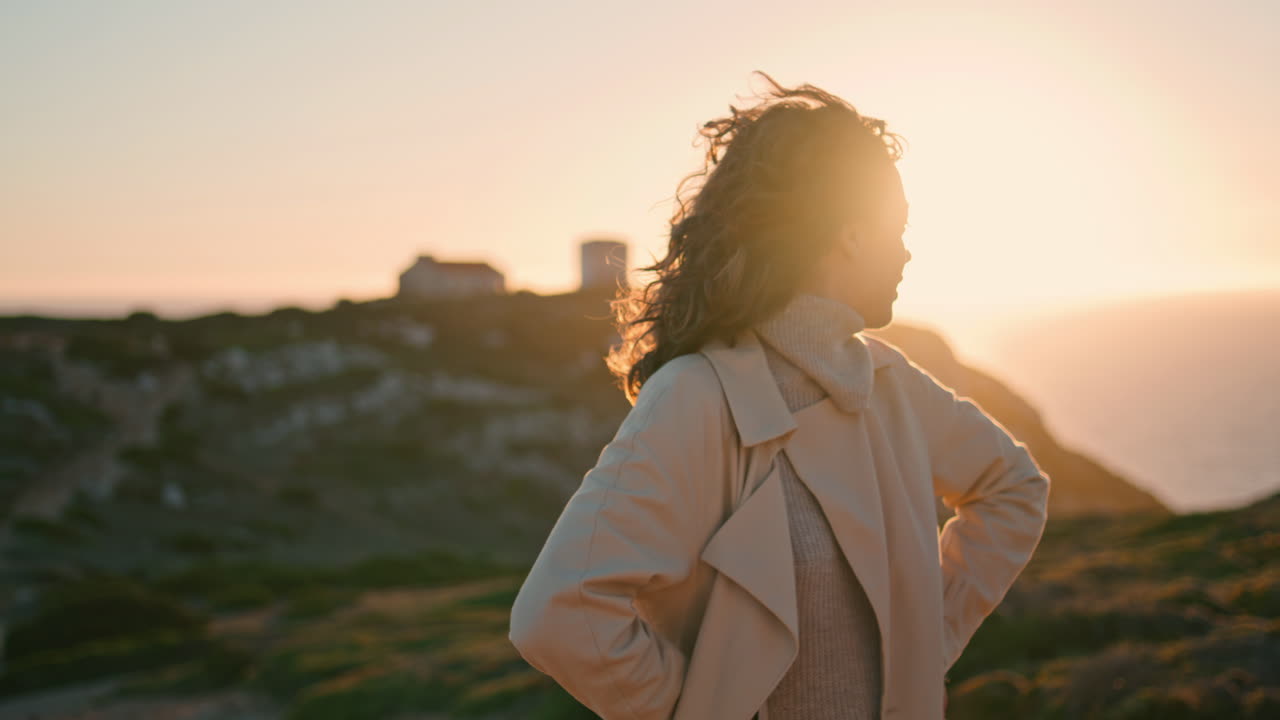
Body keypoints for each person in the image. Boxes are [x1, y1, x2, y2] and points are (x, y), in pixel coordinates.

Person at [508, 70, 1051, 720]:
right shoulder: (695, 397)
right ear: (850, 232)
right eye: (897, 228)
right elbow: (558, 613)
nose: (907, 253)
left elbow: (1015, 489)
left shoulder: (890, 383)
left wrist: (921, 644)